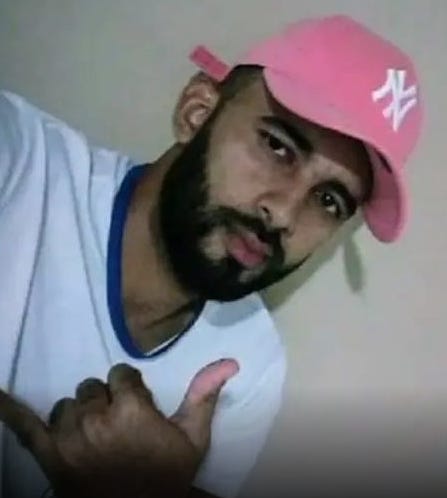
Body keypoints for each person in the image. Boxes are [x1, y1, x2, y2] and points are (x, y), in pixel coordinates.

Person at [0, 13, 422, 498]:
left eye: (328, 201)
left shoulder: (249, 367)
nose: (284, 214)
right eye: (278, 147)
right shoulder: (20, 164)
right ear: (197, 112)